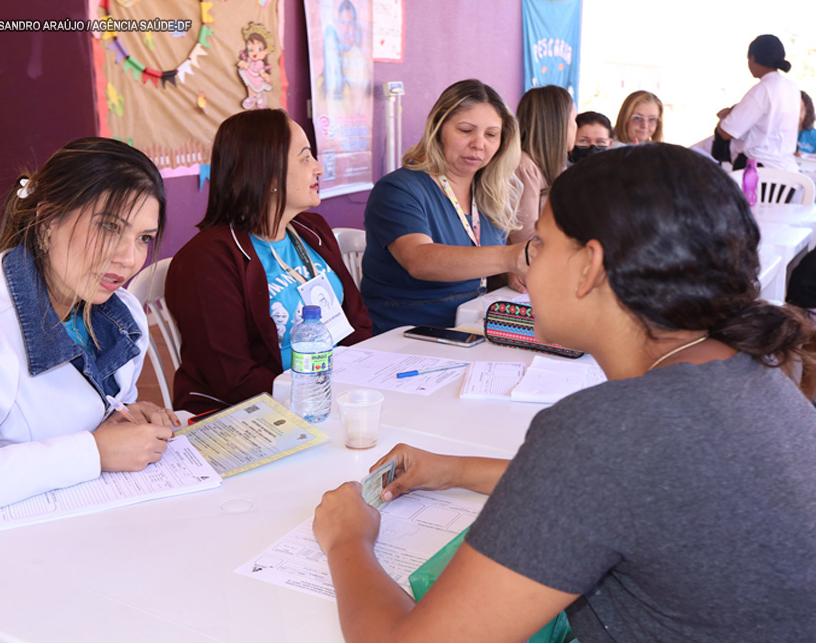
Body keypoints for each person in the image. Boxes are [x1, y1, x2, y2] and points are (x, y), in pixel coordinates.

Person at [314, 144, 816, 642]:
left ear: (589, 266)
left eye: (541, 245)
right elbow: (636, 491)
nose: (528, 268)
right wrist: (454, 470)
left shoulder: (604, 432)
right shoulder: (754, 371)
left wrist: (348, 539)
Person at [0, 138, 178, 520]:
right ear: (46, 221)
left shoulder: (120, 315)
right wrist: (93, 451)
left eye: (143, 238)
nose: (129, 258)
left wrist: (120, 419)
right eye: (109, 227)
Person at [165, 110, 372, 415]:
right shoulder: (208, 260)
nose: (318, 168)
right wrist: (312, 395)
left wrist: (361, 378)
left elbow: (357, 320)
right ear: (267, 172)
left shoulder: (312, 230)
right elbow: (232, 377)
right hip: (248, 413)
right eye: (305, 158)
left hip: (331, 395)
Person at [361, 79, 530, 334]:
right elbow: (420, 261)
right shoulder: (397, 190)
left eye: (491, 135)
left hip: (471, 329)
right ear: (438, 128)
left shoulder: (490, 193)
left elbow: (475, 259)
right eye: (465, 130)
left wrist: (505, 272)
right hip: (406, 336)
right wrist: (510, 257)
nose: (479, 143)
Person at [713, 34, 799, 171]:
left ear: (752, 58)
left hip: (758, 171)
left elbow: (726, 132)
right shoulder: (792, 88)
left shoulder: (762, 90)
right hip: (788, 172)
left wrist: (725, 116)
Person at [509, 85, 577, 245]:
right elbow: (525, 238)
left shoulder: (557, 166)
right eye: (574, 119)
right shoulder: (523, 167)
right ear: (557, 124)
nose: (576, 126)